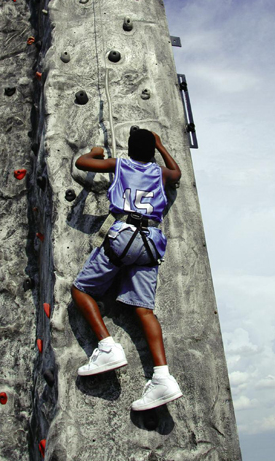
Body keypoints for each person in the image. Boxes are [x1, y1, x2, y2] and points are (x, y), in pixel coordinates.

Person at [71, 129, 183, 411]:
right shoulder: (160, 173)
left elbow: (82, 163)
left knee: (81, 290)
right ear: (152, 151)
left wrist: (97, 153)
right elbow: (177, 172)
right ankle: (162, 377)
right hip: (151, 242)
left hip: (124, 236)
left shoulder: (120, 164)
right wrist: (161, 145)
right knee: (144, 310)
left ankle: (107, 347)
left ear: (130, 150)